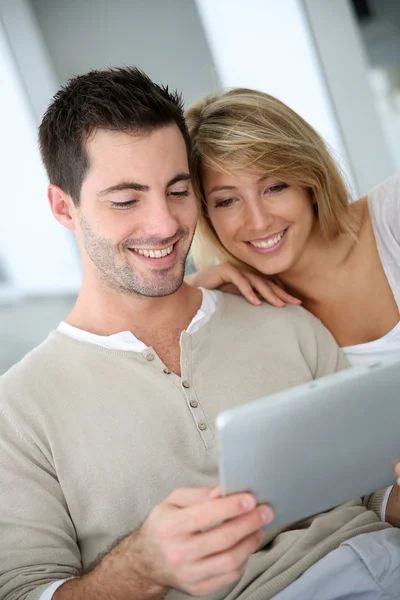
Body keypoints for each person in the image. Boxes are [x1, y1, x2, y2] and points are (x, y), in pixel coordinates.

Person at [0, 67, 399, 600]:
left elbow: (371, 489)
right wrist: (140, 567)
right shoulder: (18, 412)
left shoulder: (285, 317)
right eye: (126, 200)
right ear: (63, 207)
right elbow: (22, 588)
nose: (164, 224)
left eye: (178, 191)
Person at [185, 88, 400, 368]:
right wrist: (190, 291)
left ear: (311, 182)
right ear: (205, 214)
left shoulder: (392, 212)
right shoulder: (240, 306)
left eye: (275, 187)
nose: (259, 221)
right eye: (227, 201)